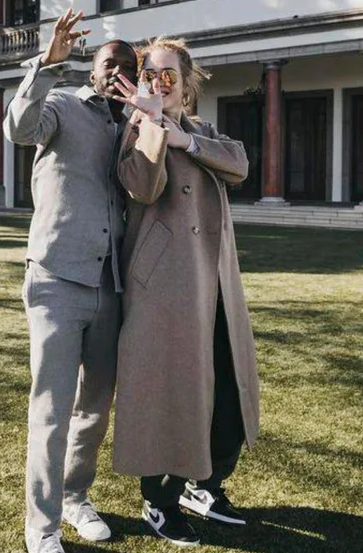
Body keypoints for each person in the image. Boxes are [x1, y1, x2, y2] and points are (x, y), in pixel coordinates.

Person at [109, 37, 261, 547]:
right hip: (164, 287)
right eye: (151, 75)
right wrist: (153, 125)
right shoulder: (134, 131)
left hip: (215, 281)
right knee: (168, 388)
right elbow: (142, 188)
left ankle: (208, 484)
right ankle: (160, 499)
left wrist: (186, 141)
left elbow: (239, 164)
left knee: (225, 384)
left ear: (186, 80)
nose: (159, 83)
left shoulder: (203, 131)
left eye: (169, 75)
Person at [2, 9, 139, 553]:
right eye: (111, 63)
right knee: (53, 409)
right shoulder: (60, 105)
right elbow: (18, 127)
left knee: (95, 406)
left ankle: (76, 498)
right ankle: (43, 526)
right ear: (93, 68)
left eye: (129, 66)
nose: (118, 72)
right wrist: (46, 65)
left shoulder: (132, 124)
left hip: (111, 285)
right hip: (56, 279)